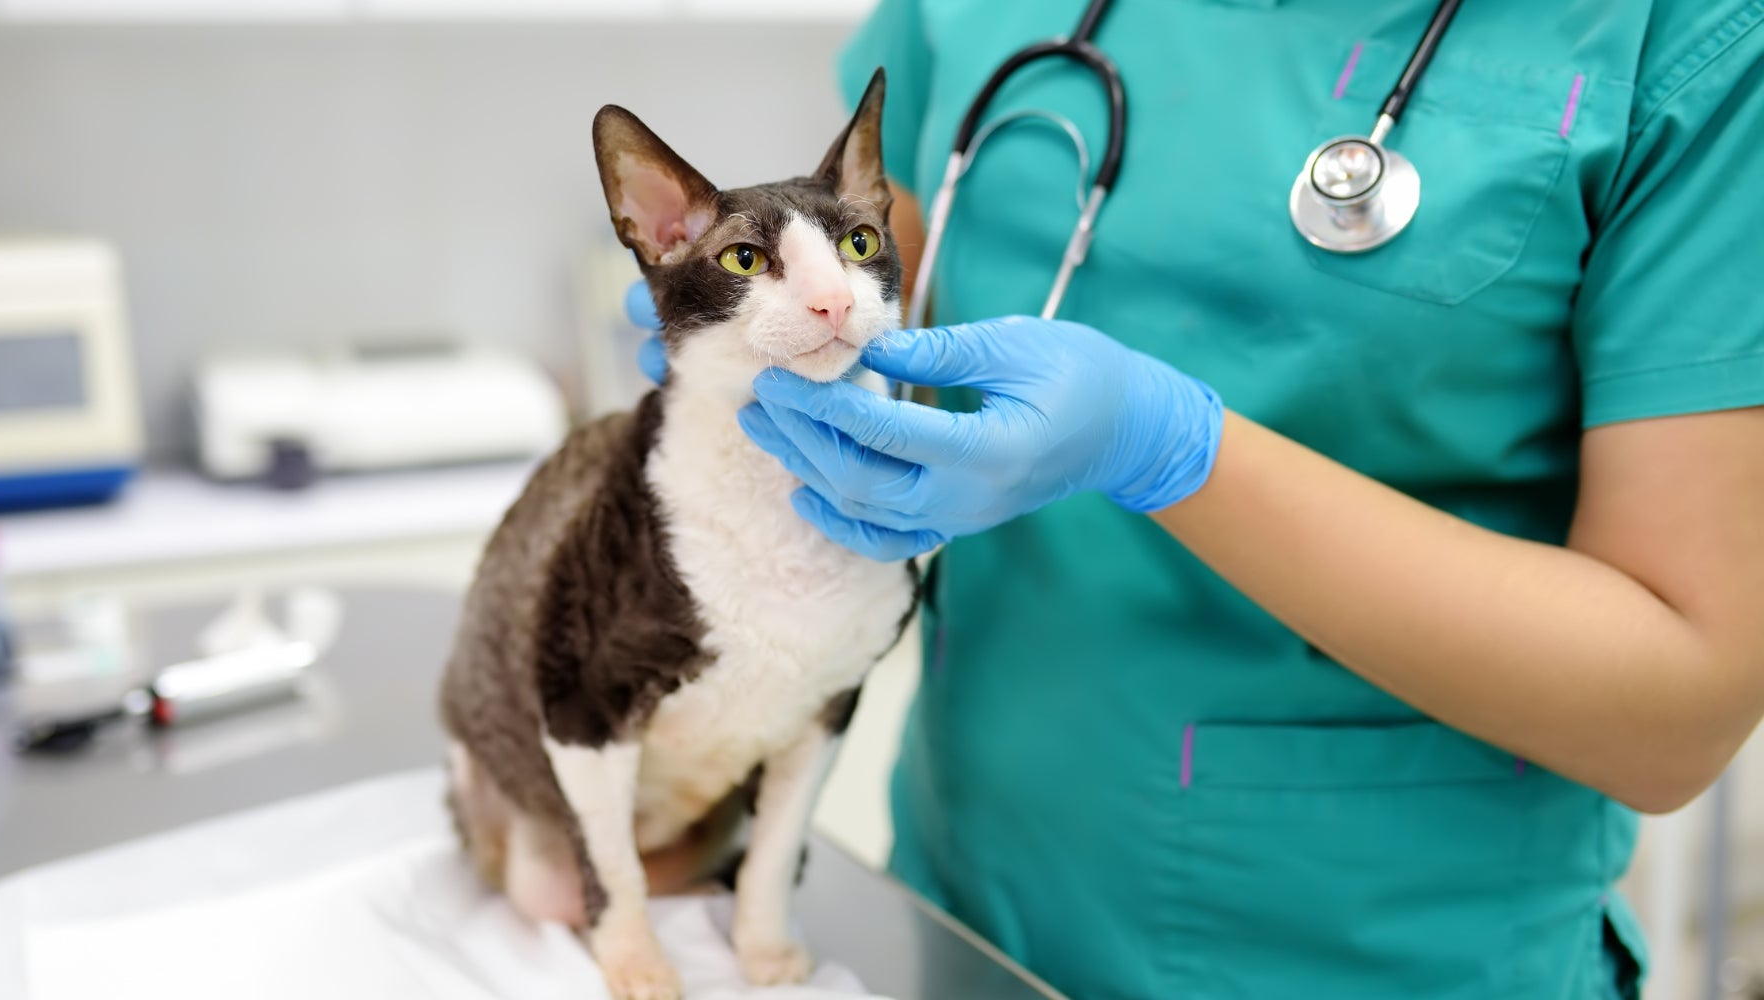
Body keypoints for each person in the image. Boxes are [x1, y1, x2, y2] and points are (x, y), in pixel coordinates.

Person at [628, 1, 1764, 996]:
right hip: (959, 905)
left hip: (1379, 951)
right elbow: (881, 265)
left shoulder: (1687, 37)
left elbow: (1675, 707)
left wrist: (1170, 449)